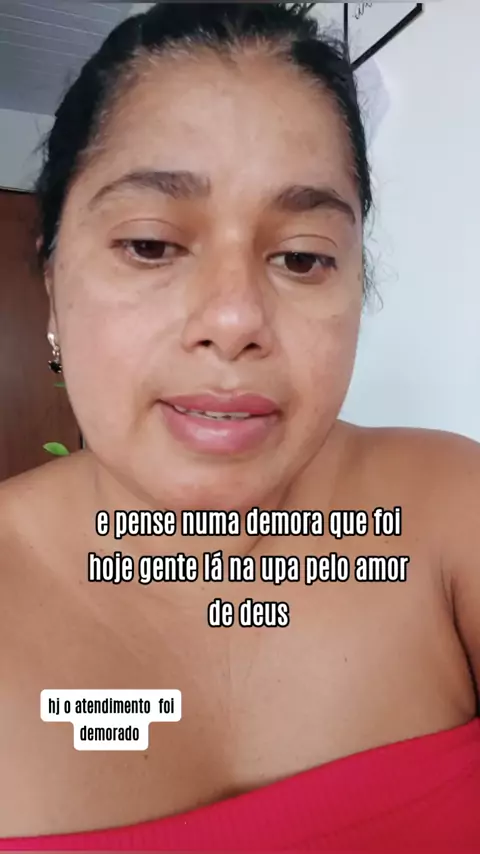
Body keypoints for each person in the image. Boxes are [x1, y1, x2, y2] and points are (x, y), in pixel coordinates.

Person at [0, 3, 479, 849]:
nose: (232, 320)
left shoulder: (455, 511)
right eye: (151, 245)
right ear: (52, 277)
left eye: (301, 257)